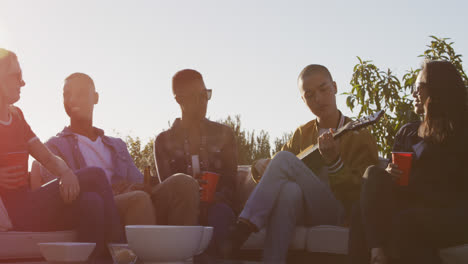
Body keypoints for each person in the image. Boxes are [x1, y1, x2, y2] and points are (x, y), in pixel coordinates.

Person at [221, 64, 379, 263]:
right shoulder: (301, 134)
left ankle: (242, 229)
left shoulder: (360, 136)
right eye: (310, 95)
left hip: (339, 212)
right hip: (300, 210)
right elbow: (276, 169)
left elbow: (363, 194)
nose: (319, 99)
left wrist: (334, 162)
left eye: (324, 89)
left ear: (335, 87)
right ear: (303, 100)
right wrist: (259, 166)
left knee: (285, 160)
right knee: (289, 190)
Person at [30, 72, 200, 227]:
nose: (72, 100)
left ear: (95, 98)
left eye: (80, 93)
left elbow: (139, 182)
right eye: (67, 95)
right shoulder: (54, 146)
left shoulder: (117, 145)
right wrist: (118, 190)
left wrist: (142, 186)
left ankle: (182, 256)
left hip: (133, 198)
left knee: (184, 183)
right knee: (138, 200)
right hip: (101, 207)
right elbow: (64, 194)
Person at [0, 49, 123, 259]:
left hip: (29, 204)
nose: (23, 83)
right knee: (95, 175)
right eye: (17, 76)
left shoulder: (17, 117)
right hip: (10, 213)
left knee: (91, 201)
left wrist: (65, 172)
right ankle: (120, 249)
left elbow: (47, 157)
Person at [347, 60, 468, 264]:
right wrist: (391, 173)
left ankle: (377, 252)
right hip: (411, 203)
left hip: (450, 210)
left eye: (418, 87)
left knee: (404, 223)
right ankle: (377, 251)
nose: (413, 93)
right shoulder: (407, 132)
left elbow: (451, 185)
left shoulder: (459, 130)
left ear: (436, 89)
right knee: (367, 190)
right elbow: (395, 183)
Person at [154, 69, 238, 257]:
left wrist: (216, 196)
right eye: (195, 97)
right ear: (179, 100)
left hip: (218, 204)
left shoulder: (224, 134)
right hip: (181, 208)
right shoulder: (164, 141)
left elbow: (231, 181)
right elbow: (169, 186)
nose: (203, 102)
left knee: (220, 214)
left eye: (205, 94)